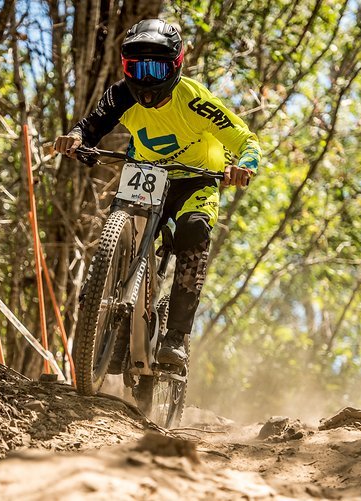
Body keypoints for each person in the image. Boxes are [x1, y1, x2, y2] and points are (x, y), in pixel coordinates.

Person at [54, 19, 261, 367]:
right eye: (138, 69)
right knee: (125, 226)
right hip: (147, 174)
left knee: (194, 230)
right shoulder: (122, 94)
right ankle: (109, 306)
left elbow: (245, 139)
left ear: (176, 66)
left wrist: (245, 166)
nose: (147, 80)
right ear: (126, 68)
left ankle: (176, 336)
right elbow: (91, 125)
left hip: (196, 180)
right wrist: (76, 139)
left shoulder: (196, 100)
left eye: (156, 69)